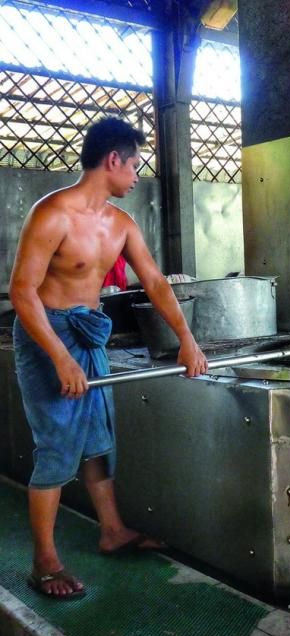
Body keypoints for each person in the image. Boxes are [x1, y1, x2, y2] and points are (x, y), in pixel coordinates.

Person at [9, 116, 208, 600]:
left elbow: (156, 283)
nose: (138, 174)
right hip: (47, 335)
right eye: (135, 163)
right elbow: (22, 291)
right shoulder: (51, 214)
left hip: (90, 334)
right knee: (56, 446)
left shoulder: (122, 224)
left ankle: (112, 530)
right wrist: (59, 357)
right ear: (112, 160)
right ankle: (44, 562)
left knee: (98, 439)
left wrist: (187, 338)